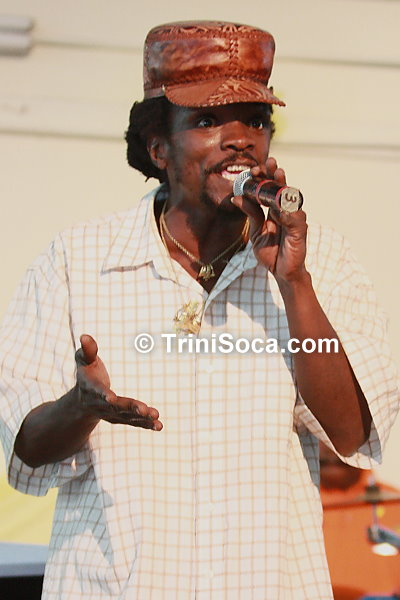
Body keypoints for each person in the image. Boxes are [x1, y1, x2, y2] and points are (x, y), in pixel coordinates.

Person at [0, 20, 398, 600]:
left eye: (255, 121)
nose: (240, 140)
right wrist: (80, 407)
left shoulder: (322, 262)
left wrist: (294, 282)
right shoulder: (75, 262)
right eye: (208, 121)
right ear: (158, 148)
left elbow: (352, 432)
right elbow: (26, 450)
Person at [320, 443, 400, 600]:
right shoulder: (290, 508)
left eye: (334, 435)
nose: (330, 448)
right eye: (319, 437)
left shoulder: (394, 503)